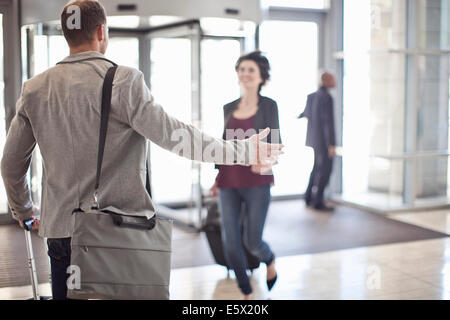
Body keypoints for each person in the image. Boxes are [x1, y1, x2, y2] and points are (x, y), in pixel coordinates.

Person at [0, 0, 283, 300]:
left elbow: (10, 165)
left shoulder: (35, 88)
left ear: (66, 35)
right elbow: (177, 136)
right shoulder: (122, 81)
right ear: (101, 31)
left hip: (61, 232)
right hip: (117, 230)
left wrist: (25, 210)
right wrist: (244, 151)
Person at [210, 51, 281, 300]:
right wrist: (217, 179)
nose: (245, 74)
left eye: (251, 70)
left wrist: (261, 160)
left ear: (262, 76)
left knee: (253, 242)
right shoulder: (228, 107)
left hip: (257, 183)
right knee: (230, 241)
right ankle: (246, 292)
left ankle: (269, 260)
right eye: (241, 69)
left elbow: (274, 142)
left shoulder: (269, 106)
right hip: (229, 181)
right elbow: (223, 145)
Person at [299, 71, 336, 211]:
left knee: (316, 169)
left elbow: (305, 114)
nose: (335, 81)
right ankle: (318, 201)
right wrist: (331, 144)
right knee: (325, 171)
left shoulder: (312, 96)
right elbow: (328, 122)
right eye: (332, 79)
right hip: (324, 142)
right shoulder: (327, 97)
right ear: (326, 81)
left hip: (313, 140)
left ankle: (308, 197)